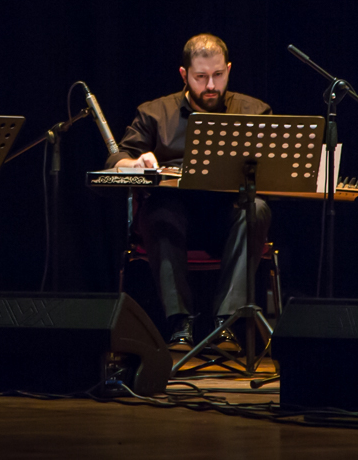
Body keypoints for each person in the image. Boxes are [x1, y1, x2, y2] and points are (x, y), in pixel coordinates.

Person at [108, 33, 272, 352]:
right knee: (157, 213)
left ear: (228, 69)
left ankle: (225, 324)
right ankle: (179, 323)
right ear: (185, 75)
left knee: (258, 209)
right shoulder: (155, 113)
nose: (210, 85)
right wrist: (133, 162)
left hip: (228, 218)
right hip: (174, 219)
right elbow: (116, 158)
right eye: (200, 77)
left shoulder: (254, 111)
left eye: (218, 75)